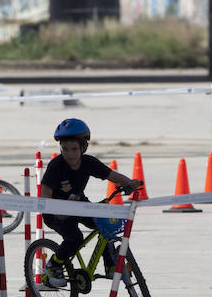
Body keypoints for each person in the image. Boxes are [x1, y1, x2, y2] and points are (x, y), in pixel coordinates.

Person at [40, 118, 141, 287]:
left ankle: (110, 266)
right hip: (56, 211)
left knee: (106, 225)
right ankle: (53, 265)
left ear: (83, 148)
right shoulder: (56, 165)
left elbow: (112, 176)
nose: (69, 153)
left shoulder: (88, 162)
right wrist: (57, 212)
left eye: (74, 149)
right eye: (65, 149)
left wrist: (129, 183)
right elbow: (45, 194)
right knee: (75, 238)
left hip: (79, 205)